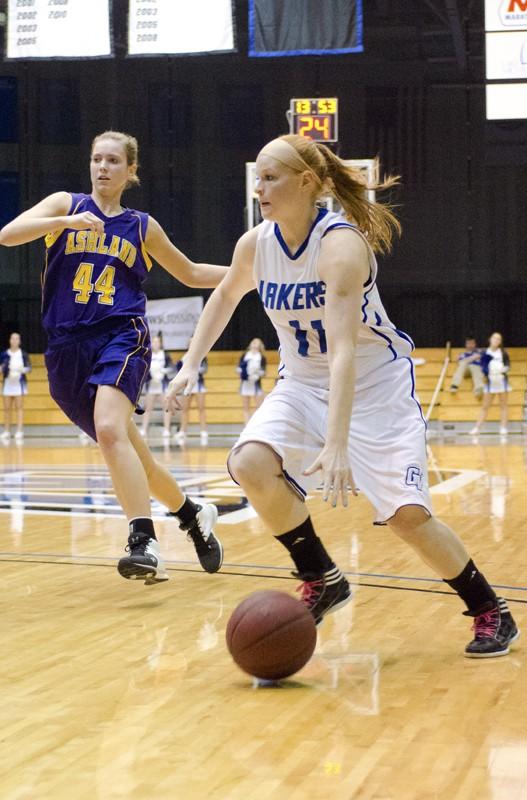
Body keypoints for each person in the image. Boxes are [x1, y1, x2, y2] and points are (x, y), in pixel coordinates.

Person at [168, 133, 519, 658]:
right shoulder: (256, 243)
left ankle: (492, 611)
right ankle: (321, 577)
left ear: (307, 182)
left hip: (375, 388)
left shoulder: (341, 247)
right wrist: (189, 365)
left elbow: (343, 353)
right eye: (257, 178)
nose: (259, 188)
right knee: (249, 462)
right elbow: (221, 299)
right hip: (302, 384)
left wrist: (336, 442)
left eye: (271, 177)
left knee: (406, 518)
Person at [0, 130, 225, 581]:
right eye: (97, 159)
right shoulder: (67, 205)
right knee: (129, 453)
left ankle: (143, 541)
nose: (103, 167)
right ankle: (192, 514)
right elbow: (8, 235)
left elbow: (192, 272)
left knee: (107, 426)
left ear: (130, 171)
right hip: (65, 348)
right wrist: (60, 224)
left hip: (121, 335)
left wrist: (260, 275)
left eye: (113, 161)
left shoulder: (142, 225)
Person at [469, 332, 511, 437]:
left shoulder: (503, 353)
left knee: (503, 405)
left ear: (500, 342)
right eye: (494, 338)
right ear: (490, 339)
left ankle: (503, 427)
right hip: (490, 382)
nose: (496, 341)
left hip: (501, 381)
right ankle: (477, 428)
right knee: (485, 406)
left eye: (498, 339)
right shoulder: (485, 352)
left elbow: (508, 366)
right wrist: (486, 373)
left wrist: (503, 369)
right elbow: (482, 366)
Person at [173, 339, 209, 445]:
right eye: (190, 342)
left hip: (199, 385)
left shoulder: (202, 355)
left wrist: (195, 370)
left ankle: (203, 430)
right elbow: (179, 371)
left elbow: (205, 369)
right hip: (187, 386)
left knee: (201, 408)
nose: (192, 344)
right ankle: (183, 431)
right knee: (185, 409)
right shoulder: (184, 357)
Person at [140, 334, 173, 439]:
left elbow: (171, 368)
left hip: (162, 386)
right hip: (151, 386)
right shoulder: (148, 355)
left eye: (157, 342)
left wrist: (163, 371)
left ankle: (167, 430)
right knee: (147, 408)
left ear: (161, 343)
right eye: (153, 342)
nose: (155, 344)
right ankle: (144, 429)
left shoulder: (165, 355)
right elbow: (143, 369)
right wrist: (150, 375)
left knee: (166, 408)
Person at [1, 332, 32, 442]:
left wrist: (21, 369)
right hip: (8, 384)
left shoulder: (23, 354)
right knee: (7, 409)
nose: (14, 341)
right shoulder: (4, 354)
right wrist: (4, 368)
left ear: (19, 341)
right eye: (13, 338)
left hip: (19, 384)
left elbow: (29, 368)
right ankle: (7, 431)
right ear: (10, 340)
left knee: (19, 408)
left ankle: (19, 430)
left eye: (17, 339)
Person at [237, 337, 267, 422]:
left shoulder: (261, 357)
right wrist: (243, 373)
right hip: (245, 383)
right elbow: (239, 368)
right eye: (253, 342)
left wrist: (257, 374)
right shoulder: (245, 355)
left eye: (257, 342)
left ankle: (257, 424)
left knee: (259, 407)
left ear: (260, 346)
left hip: (256, 384)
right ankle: (246, 426)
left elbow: (264, 372)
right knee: (246, 408)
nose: (254, 344)